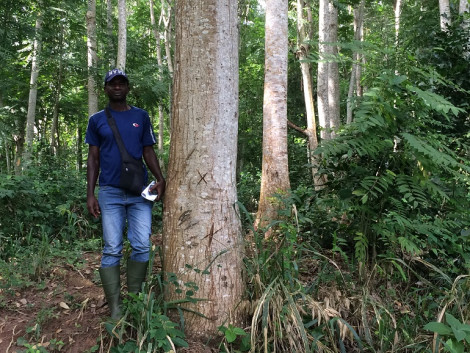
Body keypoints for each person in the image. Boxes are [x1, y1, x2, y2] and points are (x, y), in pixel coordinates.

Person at [85, 68, 166, 320]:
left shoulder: (141, 116)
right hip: (109, 191)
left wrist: (160, 178)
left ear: (128, 88)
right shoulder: (97, 120)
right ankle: (116, 309)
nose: (117, 87)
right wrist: (90, 193)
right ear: (106, 89)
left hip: (139, 192)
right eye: (112, 84)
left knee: (142, 245)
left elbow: (148, 151)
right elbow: (93, 158)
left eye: (122, 83)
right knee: (112, 248)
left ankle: (134, 300)